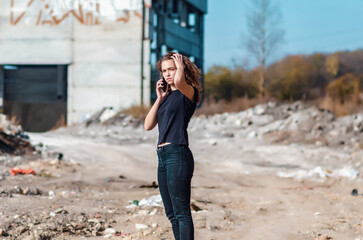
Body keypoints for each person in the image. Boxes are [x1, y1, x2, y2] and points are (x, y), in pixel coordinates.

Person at [144, 51, 201, 240]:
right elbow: (148, 125)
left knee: (182, 213)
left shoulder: (188, 92)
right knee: (172, 214)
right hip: (163, 156)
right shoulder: (166, 97)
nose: (167, 74)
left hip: (178, 154)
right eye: (164, 71)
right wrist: (159, 98)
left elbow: (178, 82)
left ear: (181, 70)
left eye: (172, 69)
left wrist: (181, 68)